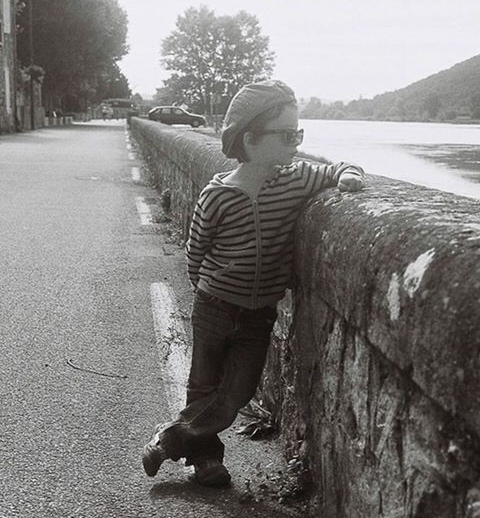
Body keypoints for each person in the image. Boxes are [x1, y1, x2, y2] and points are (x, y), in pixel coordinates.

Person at [143, 79, 365, 486]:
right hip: (214, 305)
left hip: (258, 314)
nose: (296, 143)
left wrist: (349, 173)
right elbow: (196, 249)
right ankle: (208, 462)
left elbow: (335, 169)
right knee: (203, 385)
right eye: (286, 135)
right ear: (251, 139)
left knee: (235, 393)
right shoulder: (218, 195)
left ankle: (169, 438)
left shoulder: (295, 179)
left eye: (299, 133)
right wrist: (204, 288)